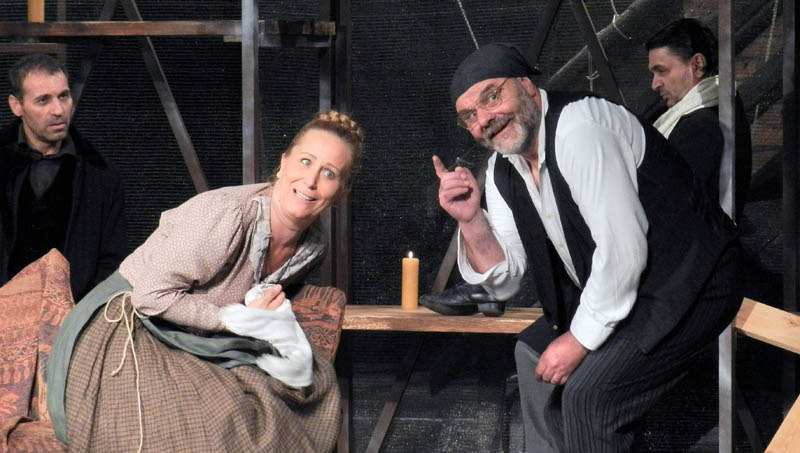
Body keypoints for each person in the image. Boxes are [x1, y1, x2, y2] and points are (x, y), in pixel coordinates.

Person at [435, 43, 742, 451]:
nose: (484, 120)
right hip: (629, 291)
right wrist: (471, 220)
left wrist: (578, 341)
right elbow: (505, 281)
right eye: (470, 116)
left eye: (492, 97)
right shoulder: (501, 170)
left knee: (589, 399)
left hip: (696, 282)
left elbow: (623, 251)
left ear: (526, 86)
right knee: (538, 365)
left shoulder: (580, 131)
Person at [45, 110, 364, 452]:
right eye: (305, 161)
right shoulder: (228, 215)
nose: (311, 181)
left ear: (340, 192)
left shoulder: (312, 248)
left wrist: (257, 319)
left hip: (194, 338)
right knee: (215, 424)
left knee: (311, 384)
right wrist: (242, 319)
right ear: (284, 163)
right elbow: (150, 296)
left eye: (328, 173)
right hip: (127, 326)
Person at [0, 53, 127, 300]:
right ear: (17, 106)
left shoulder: (101, 175)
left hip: (73, 313)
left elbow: (113, 260)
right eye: (43, 100)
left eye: (63, 96)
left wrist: (79, 312)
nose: (58, 110)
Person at [647, 18, 752, 220]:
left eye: (661, 71)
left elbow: (670, 205)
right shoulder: (719, 109)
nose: (655, 84)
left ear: (697, 64)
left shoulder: (703, 124)